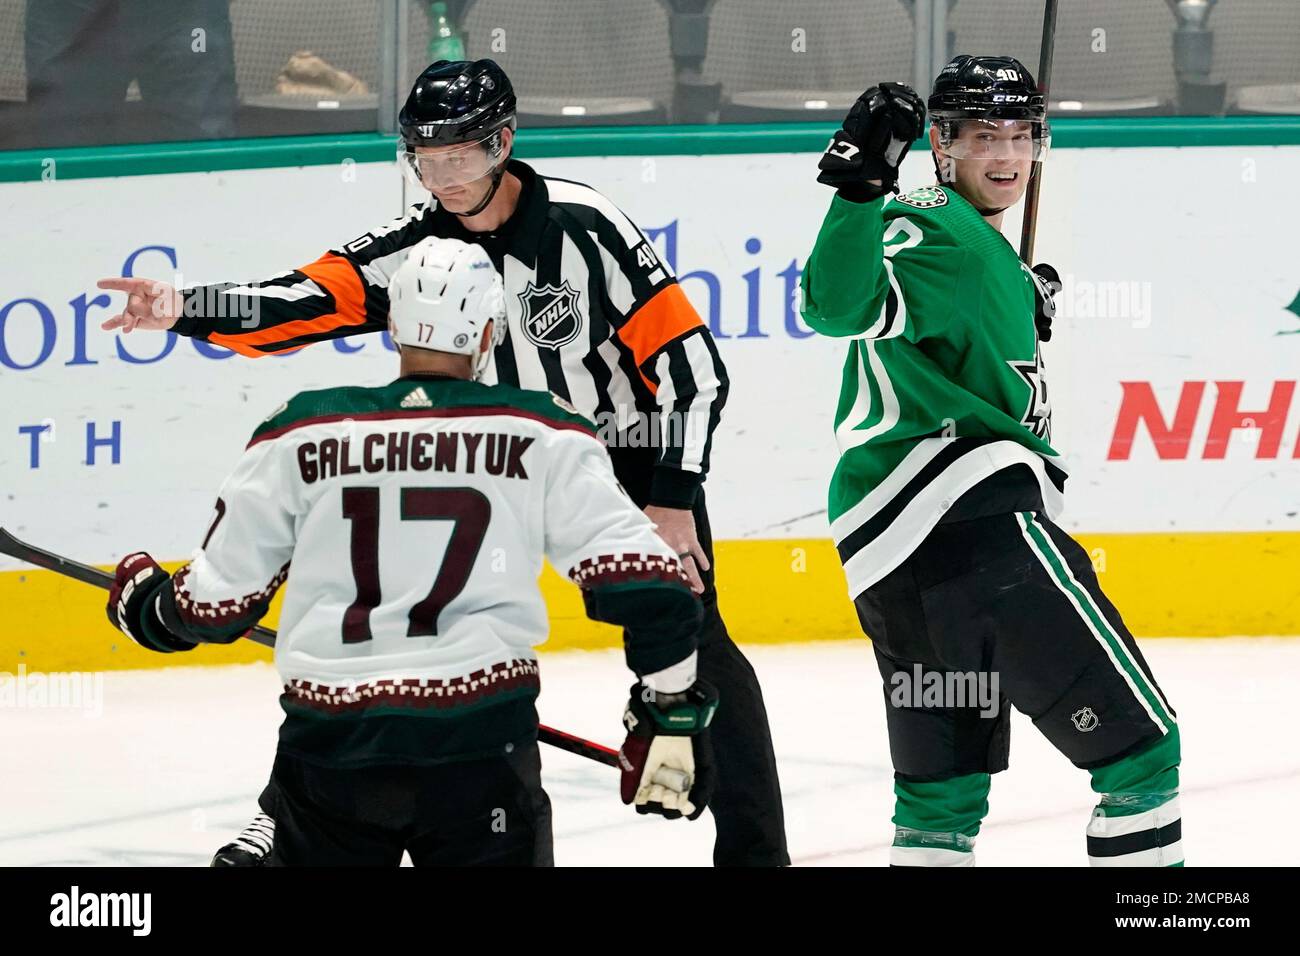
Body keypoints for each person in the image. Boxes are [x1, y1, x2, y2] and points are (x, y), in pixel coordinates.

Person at [97, 58, 787, 868]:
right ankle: (283, 813)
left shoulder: (585, 225)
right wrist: (185, 308)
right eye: (426, 157)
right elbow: (302, 300)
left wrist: (669, 503)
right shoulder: (415, 248)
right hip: (497, 464)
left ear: (503, 142)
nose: (442, 175)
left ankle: (754, 854)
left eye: (459, 154)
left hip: (625, 460)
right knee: (387, 625)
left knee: (698, 637)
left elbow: (691, 368)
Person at [103, 237, 718, 866]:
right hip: (480, 753)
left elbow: (215, 607)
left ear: (392, 325)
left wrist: (148, 606)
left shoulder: (301, 429)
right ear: (488, 334)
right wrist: (667, 712)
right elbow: (648, 587)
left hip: (332, 754)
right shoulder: (543, 431)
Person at [800, 55, 1182, 867]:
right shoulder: (937, 222)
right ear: (939, 145)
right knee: (1141, 756)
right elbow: (837, 308)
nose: (1005, 156)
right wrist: (861, 185)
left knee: (941, 799)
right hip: (977, 534)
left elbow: (938, 321)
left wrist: (1012, 293)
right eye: (981, 137)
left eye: (1020, 136)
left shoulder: (974, 245)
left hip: (898, 572)